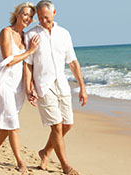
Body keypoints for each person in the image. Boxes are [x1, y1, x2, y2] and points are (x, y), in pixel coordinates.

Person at [23, 1, 88, 174]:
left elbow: (73, 62)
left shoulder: (64, 34)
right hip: (43, 86)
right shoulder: (31, 35)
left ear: (54, 13)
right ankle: (65, 165)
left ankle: (45, 151)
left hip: (62, 84)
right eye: (40, 17)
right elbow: (28, 65)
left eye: (47, 16)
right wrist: (29, 87)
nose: (44, 20)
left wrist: (82, 87)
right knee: (57, 126)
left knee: (67, 124)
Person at [0, 2, 40, 173]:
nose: (28, 19)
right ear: (17, 14)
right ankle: (20, 162)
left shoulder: (24, 36)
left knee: (8, 122)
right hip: (2, 82)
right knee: (13, 124)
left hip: (17, 86)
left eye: (31, 16)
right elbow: (9, 60)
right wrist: (30, 51)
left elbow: (25, 66)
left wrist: (29, 87)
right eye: (25, 14)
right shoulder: (5, 32)